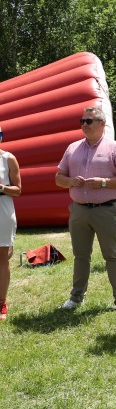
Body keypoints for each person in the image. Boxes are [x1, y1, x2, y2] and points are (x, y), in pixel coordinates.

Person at [55, 107, 116, 312]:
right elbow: (58, 178)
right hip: (79, 210)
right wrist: (71, 181)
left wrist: (105, 182)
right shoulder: (72, 148)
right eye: (82, 121)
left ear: (101, 123)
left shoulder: (115, 148)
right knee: (81, 256)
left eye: (88, 121)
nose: (84, 124)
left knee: (112, 255)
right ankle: (76, 297)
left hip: (106, 210)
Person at [0, 125, 21, 320]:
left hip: (3, 212)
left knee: (2, 258)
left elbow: (18, 189)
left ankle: (1, 303)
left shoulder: (8, 158)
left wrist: (1, 187)